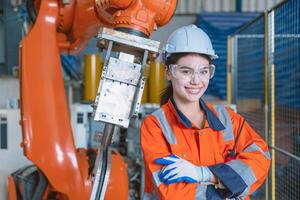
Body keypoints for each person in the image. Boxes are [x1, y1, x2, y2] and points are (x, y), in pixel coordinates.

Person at [140, 24, 270, 200]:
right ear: (168, 72)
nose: (196, 81)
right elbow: (174, 194)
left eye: (203, 71)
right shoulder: (156, 126)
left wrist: (205, 174)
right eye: (186, 71)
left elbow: (260, 159)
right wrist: (230, 184)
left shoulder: (227, 119)